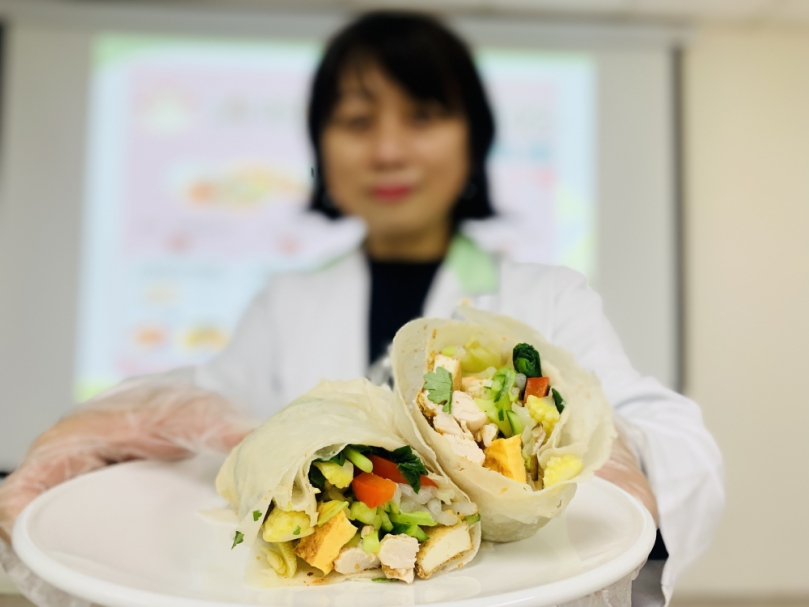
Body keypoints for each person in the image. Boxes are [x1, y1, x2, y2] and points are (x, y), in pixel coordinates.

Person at [0, 11, 723, 606]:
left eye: (423, 116)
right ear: (321, 148)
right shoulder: (288, 302)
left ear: (472, 143)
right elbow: (219, 411)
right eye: (354, 120)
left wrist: (621, 452)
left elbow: (673, 436)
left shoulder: (543, 296)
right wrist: (127, 411)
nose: (386, 149)